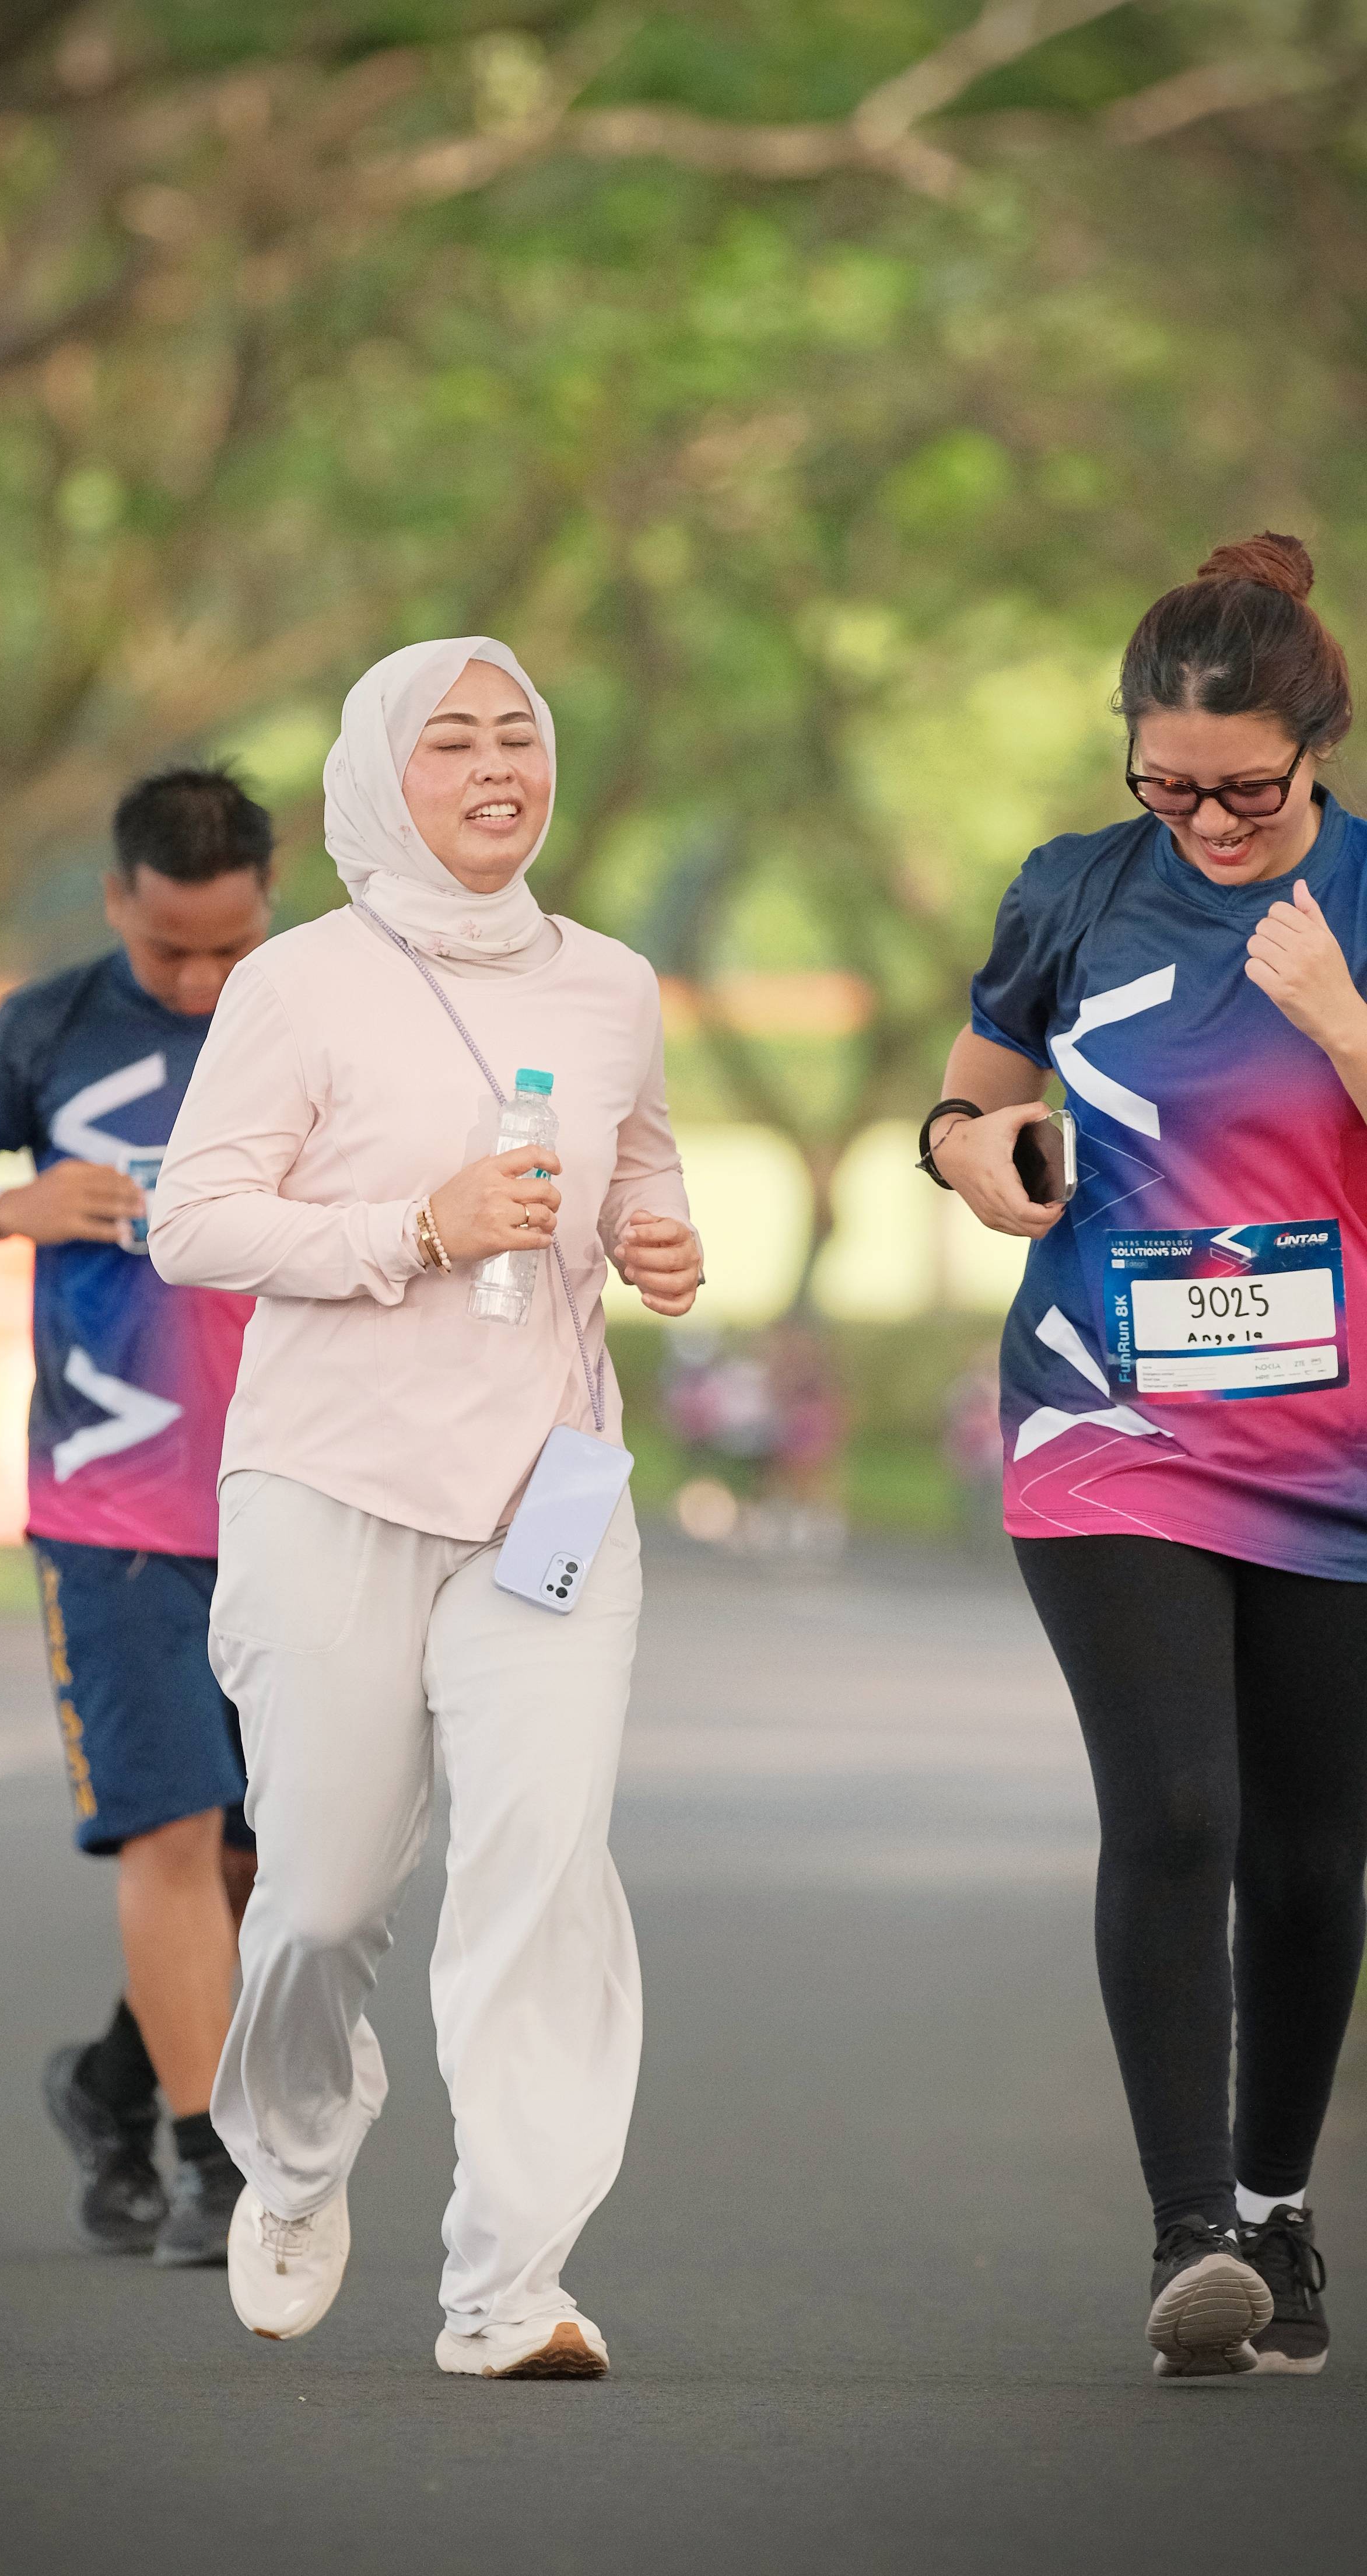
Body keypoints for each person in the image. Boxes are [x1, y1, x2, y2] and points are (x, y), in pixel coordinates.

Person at [149, 637, 702, 2378]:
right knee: (317, 1896)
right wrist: (415, 1229)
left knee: (539, 1871)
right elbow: (195, 1221)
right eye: (449, 741)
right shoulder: (298, 983)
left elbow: (642, 1161)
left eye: (516, 735)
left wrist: (660, 1238)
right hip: (332, 1480)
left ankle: (508, 2287)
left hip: (550, 1488)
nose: (493, 767)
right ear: (381, 779)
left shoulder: (610, 984)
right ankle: (294, 2155)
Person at [924, 532, 1364, 2378]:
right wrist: (970, 1155)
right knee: (1180, 1812)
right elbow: (971, 1096)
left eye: (1243, 788)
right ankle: (1193, 2234)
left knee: (1316, 1857)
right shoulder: (1075, 890)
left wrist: (1336, 1014)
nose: (1205, 821)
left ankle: (1277, 2202)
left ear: (1317, 746)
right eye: (1167, 785)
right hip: (1109, 1424)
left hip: (1339, 1450)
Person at [0, 766, 274, 2266]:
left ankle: (111, 2083)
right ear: (114, 902)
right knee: (171, 1828)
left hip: (297, 1501)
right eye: (169, 949)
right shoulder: (48, 1027)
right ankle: (217, 2168)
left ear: (269, 907)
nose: (200, 981)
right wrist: (2, 1207)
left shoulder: (319, 1015)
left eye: (228, 947)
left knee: (268, 1857)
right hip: (110, 1509)